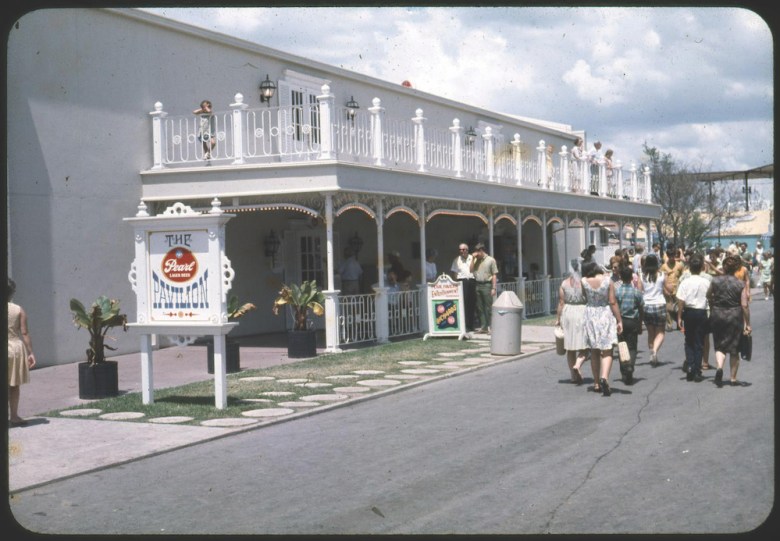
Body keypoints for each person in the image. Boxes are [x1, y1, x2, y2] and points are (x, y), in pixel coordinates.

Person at [707, 254, 751, 387]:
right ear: (736, 269)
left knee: (719, 344)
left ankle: (719, 367)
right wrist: (747, 323)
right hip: (734, 315)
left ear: (724, 268)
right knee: (734, 347)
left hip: (717, 314)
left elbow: (708, 295)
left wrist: (713, 302)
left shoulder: (715, 281)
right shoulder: (740, 284)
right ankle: (733, 378)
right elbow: (744, 305)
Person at [581, 260, 623, 396]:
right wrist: (619, 320)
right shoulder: (607, 280)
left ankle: (596, 382)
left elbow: (584, 298)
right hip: (605, 314)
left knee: (594, 350)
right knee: (607, 350)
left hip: (590, 314)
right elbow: (612, 301)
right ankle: (604, 377)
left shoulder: (584, 281)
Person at [675, 254, 711, 382]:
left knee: (689, 340)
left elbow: (681, 301)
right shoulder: (706, 282)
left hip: (689, 312)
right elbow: (711, 298)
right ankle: (697, 369)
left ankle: (690, 365)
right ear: (702, 267)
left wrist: (679, 317)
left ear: (689, 268)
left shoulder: (685, 282)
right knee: (699, 342)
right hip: (701, 312)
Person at [554, 259, 588, 384]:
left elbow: (561, 302)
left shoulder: (564, 283)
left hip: (568, 312)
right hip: (582, 311)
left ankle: (573, 376)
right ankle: (578, 364)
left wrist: (558, 319)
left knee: (570, 347)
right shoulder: (584, 282)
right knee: (586, 344)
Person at [8, 278, 37, 427]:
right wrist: (31, 352)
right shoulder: (18, 310)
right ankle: (13, 416)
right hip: (14, 349)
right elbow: (24, 333)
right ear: (12, 292)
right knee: (13, 385)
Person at [615, 265, 644, 385]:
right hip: (633, 321)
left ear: (620, 277)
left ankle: (624, 371)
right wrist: (640, 323)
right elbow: (641, 308)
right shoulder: (637, 292)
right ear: (632, 278)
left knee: (622, 347)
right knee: (632, 347)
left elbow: (614, 307)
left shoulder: (617, 292)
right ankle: (630, 366)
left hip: (620, 321)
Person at [641, 254, 667, 367]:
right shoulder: (661, 275)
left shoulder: (642, 276)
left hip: (646, 305)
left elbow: (639, 290)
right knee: (660, 332)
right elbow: (668, 289)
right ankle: (655, 351)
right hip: (660, 304)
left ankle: (652, 354)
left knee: (651, 332)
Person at [470, 242, 499, 333]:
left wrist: (493, 288)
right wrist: (472, 259)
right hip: (478, 284)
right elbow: (470, 270)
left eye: (477, 252)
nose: (476, 254)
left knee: (488, 307)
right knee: (480, 307)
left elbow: (494, 274)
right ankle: (484, 327)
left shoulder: (491, 260)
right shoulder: (476, 260)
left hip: (487, 284)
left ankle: (492, 327)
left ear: (481, 251)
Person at [450, 243, 477, 332]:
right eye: (460, 250)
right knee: (463, 304)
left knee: (472, 303)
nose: (462, 251)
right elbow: (455, 274)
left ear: (467, 250)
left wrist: (473, 258)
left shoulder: (472, 258)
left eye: (463, 249)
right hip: (462, 281)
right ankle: (465, 325)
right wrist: (456, 284)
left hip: (472, 281)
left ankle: (471, 325)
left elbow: (472, 270)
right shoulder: (456, 260)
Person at [660, 249, 685, 331]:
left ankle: (679, 324)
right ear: (667, 256)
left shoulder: (679, 265)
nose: (671, 258)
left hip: (678, 289)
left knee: (679, 308)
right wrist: (664, 290)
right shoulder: (664, 266)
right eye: (670, 256)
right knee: (668, 308)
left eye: (673, 256)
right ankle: (669, 325)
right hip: (667, 289)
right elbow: (662, 280)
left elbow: (683, 277)